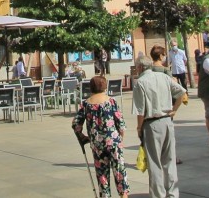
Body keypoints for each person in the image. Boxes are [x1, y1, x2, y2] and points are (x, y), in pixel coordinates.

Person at [132, 52, 184, 198]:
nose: (136, 69)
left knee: (154, 163)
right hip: (167, 121)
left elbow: (140, 110)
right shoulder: (164, 77)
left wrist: (139, 127)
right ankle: (173, 193)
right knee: (169, 160)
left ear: (141, 67)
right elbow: (181, 92)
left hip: (151, 123)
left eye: (136, 67)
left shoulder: (140, 83)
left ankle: (158, 195)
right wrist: (174, 110)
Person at [73, 74, 129, 198]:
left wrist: (82, 136)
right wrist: (120, 138)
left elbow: (76, 123)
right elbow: (120, 123)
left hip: (97, 145)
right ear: (104, 86)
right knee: (119, 171)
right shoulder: (111, 101)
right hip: (113, 142)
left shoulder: (86, 104)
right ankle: (123, 195)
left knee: (102, 175)